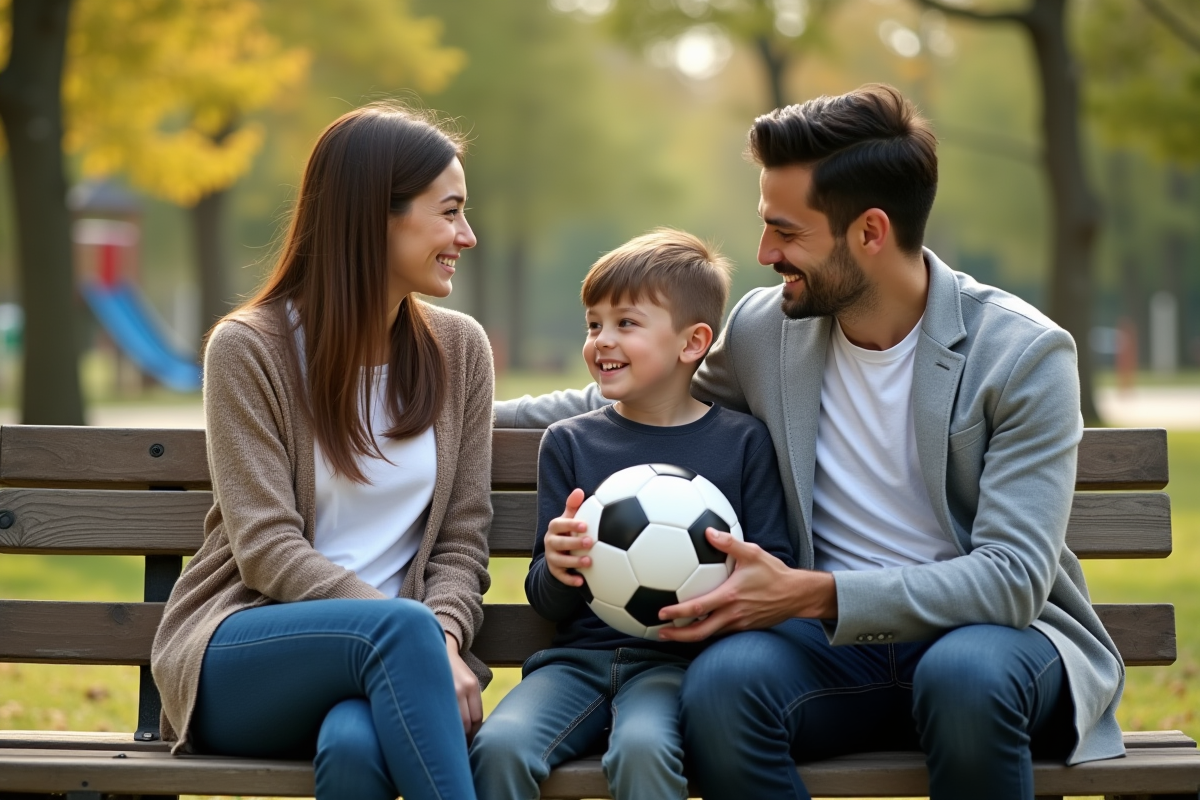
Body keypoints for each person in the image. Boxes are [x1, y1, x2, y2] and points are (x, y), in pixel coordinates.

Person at [493, 84, 1125, 800]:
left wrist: (813, 594)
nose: (764, 253)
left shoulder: (1021, 354)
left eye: (787, 233)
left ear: (871, 232)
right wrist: (459, 412)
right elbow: (641, 393)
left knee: (963, 678)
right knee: (724, 685)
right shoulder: (771, 329)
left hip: (989, 642)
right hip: (832, 656)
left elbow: (1010, 579)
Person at [150, 102, 494, 800]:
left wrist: (443, 642)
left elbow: (462, 540)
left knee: (353, 745)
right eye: (449, 211)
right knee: (396, 632)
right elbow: (266, 545)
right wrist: (417, 639)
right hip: (244, 652)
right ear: (376, 216)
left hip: (388, 667)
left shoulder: (461, 352)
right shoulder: (251, 349)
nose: (468, 234)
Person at [471, 229, 795, 800]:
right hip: (573, 665)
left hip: (679, 669)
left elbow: (775, 571)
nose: (601, 340)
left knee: (643, 753)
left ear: (693, 342)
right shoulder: (568, 443)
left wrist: (729, 591)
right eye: (594, 324)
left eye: (626, 323)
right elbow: (545, 597)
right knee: (499, 748)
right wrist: (558, 562)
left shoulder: (743, 445)